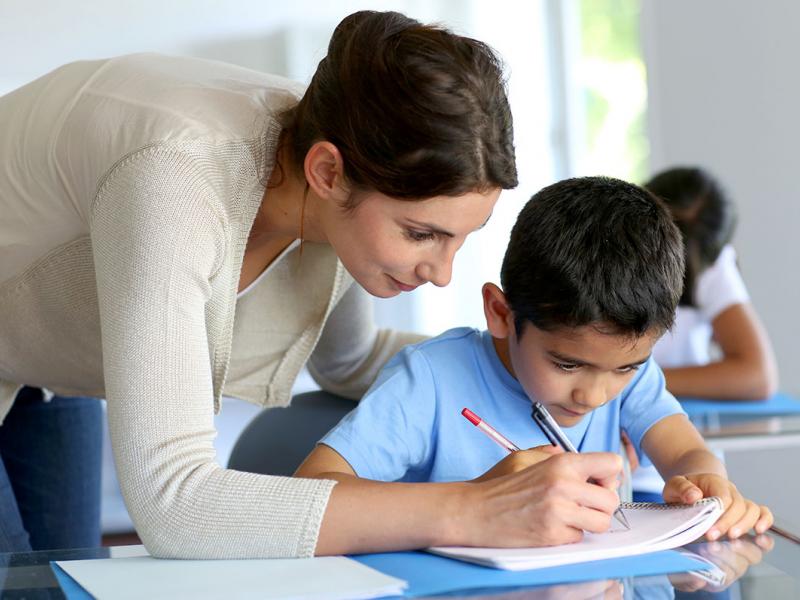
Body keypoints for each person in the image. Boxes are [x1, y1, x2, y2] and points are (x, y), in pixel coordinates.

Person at [0, 10, 621, 559]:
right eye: (420, 234)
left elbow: (349, 360)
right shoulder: (177, 182)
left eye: (461, 238)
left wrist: (568, 376)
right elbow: (174, 503)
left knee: (58, 580)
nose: (442, 272)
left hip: (47, 356)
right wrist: (476, 509)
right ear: (326, 171)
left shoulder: (344, 153)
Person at [297, 176, 774, 542]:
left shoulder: (632, 379)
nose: (595, 394)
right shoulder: (430, 380)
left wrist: (707, 484)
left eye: (625, 367)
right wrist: (477, 499)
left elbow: (686, 451)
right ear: (501, 313)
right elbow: (310, 493)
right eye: (567, 364)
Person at [631, 166, 779, 502]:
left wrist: (635, 383)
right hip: (619, 466)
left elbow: (757, 376)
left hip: (677, 467)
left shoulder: (714, 264)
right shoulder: (618, 257)